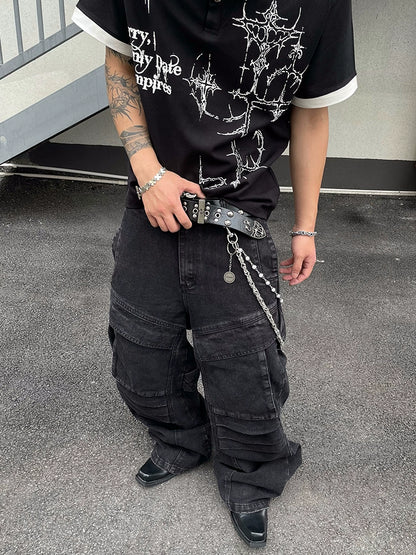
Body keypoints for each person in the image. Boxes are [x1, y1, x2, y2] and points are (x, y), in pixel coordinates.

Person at [72, 0, 357, 548]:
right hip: (150, 201)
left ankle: (251, 475)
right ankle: (182, 440)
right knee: (141, 353)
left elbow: (311, 110)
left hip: (238, 217)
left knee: (247, 369)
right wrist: (148, 172)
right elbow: (120, 53)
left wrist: (306, 227)